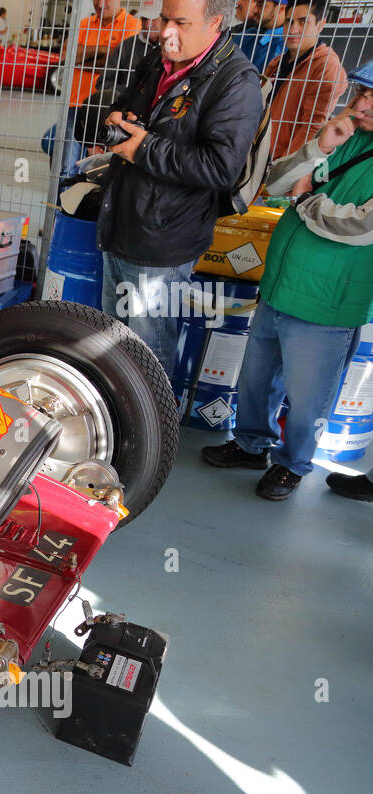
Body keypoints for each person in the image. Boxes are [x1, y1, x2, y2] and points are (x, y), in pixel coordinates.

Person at [201, 65, 373, 500]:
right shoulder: (342, 134)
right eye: (361, 91)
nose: (363, 103)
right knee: (257, 377)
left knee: (308, 394)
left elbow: (361, 226)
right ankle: (250, 444)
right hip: (280, 284)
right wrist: (317, 148)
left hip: (327, 303)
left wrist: (306, 200)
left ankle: (292, 465)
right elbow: (275, 183)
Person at [95, 0, 264, 379]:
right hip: (121, 225)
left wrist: (144, 148)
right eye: (164, 20)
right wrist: (118, 116)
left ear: (215, 22)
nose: (166, 32)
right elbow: (130, 107)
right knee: (113, 347)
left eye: (181, 23)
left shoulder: (235, 81)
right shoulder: (159, 61)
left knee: (146, 357)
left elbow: (221, 167)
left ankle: (153, 434)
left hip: (163, 244)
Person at [58, 0, 142, 183]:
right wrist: (104, 53)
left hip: (107, 109)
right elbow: (66, 55)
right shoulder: (84, 24)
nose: (100, 3)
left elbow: (120, 62)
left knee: (101, 168)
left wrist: (83, 57)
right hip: (76, 102)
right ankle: (64, 209)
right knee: (66, 166)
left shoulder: (132, 24)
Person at [263, 0, 346, 159]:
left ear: (320, 25)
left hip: (276, 161)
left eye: (303, 22)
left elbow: (312, 127)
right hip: (256, 154)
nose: (293, 29)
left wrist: (282, 165)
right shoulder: (278, 62)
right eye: (289, 22)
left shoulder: (326, 66)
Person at [243, 0, 289, 71]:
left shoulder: (287, 43)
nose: (254, 10)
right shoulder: (248, 33)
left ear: (281, 8)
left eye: (260, 5)